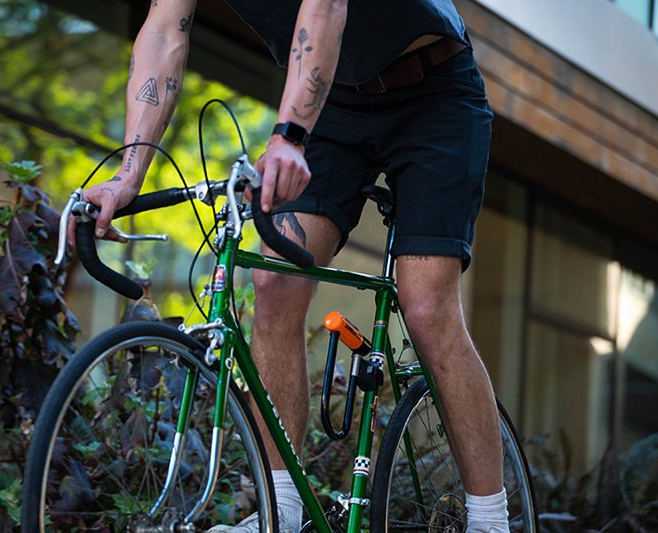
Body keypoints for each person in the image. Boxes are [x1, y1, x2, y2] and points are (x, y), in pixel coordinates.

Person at [79, 1, 505, 531]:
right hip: (332, 103)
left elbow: (325, 7)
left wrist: (289, 138)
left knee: (424, 306)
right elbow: (165, 32)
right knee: (274, 280)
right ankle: (279, 510)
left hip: (434, 93)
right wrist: (128, 173)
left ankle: (492, 518)